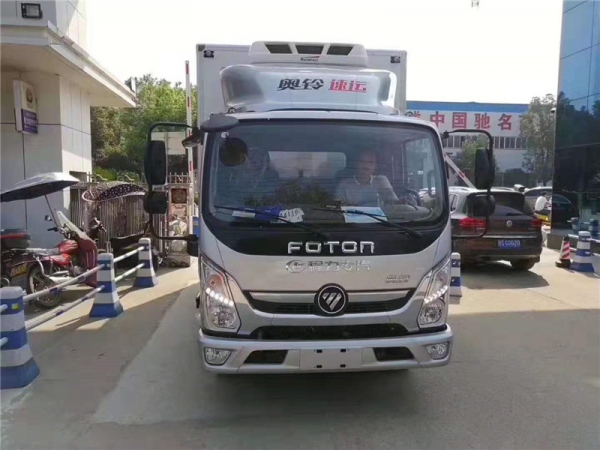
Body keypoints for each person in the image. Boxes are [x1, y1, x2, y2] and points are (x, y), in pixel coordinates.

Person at [334, 150, 402, 207]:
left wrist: (401, 202)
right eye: (362, 161)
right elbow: (338, 208)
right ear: (356, 164)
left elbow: (393, 202)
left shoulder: (381, 181)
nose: (366, 165)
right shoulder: (344, 185)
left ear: (375, 166)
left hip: (379, 219)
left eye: (370, 162)